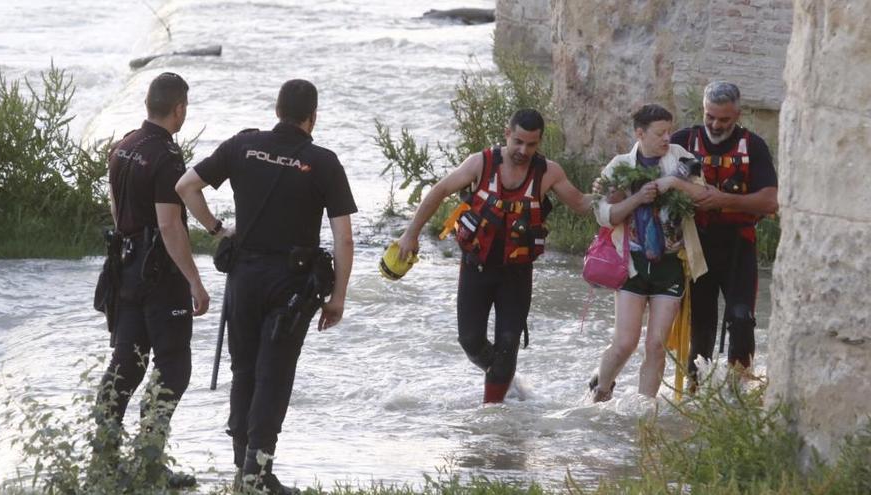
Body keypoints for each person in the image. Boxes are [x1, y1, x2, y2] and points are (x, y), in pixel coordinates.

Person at [175, 79, 356, 494]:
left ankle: (243, 468)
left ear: (277, 110)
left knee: (244, 370)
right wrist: (338, 297)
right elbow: (344, 237)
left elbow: (186, 187)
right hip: (290, 286)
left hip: (244, 278)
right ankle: (259, 473)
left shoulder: (242, 146)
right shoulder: (323, 161)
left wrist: (219, 229)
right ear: (313, 116)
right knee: (274, 376)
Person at [397, 109, 592, 404]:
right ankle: (504, 377)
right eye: (518, 142)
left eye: (531, 145)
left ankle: (494, 416)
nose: (523, 151)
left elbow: (582, 204)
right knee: (470, 341)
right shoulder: (480, 163)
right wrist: (411, 233)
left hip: (517, 274)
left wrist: (616, 194)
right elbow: (439, 191)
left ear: (539, 143)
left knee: (508, 344)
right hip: (477, 268)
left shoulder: (548, 172)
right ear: (507, 133)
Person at [95, 72, 209, 488]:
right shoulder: (166, 157)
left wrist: (131, 243)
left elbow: (113, 203)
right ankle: (149, 462)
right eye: (185, 108)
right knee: (173, 368)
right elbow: (169, 225)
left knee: (125, 365)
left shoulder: (123, 146)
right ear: (178, 108)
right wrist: (194, 280)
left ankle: (103, 460)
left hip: (124, 267)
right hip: (159, 275)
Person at [589, 104, 708, 402]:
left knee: (656, 345)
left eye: (669, 130)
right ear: (639, 133)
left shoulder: (682, 157)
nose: (667, 137)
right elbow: (603, 214)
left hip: (671, 262)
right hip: (633, 262)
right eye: (660, 133)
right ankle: (601, 389)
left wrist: (673, 183)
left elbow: (703, 195)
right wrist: (637, 199)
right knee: (625, 343)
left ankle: (645, 412)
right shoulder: (619, 165)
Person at [669, 81, 778, 384]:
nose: (715, 125)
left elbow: (770, 200)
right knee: (700, 328)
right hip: (695, 248)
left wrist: (724, 199)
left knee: (741, 319)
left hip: (738, 247)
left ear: (738, 115)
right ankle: (694, 396)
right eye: (710, 117)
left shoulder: (753, 146)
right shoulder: (681, 142)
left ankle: (740, 392)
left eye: (724, 119)